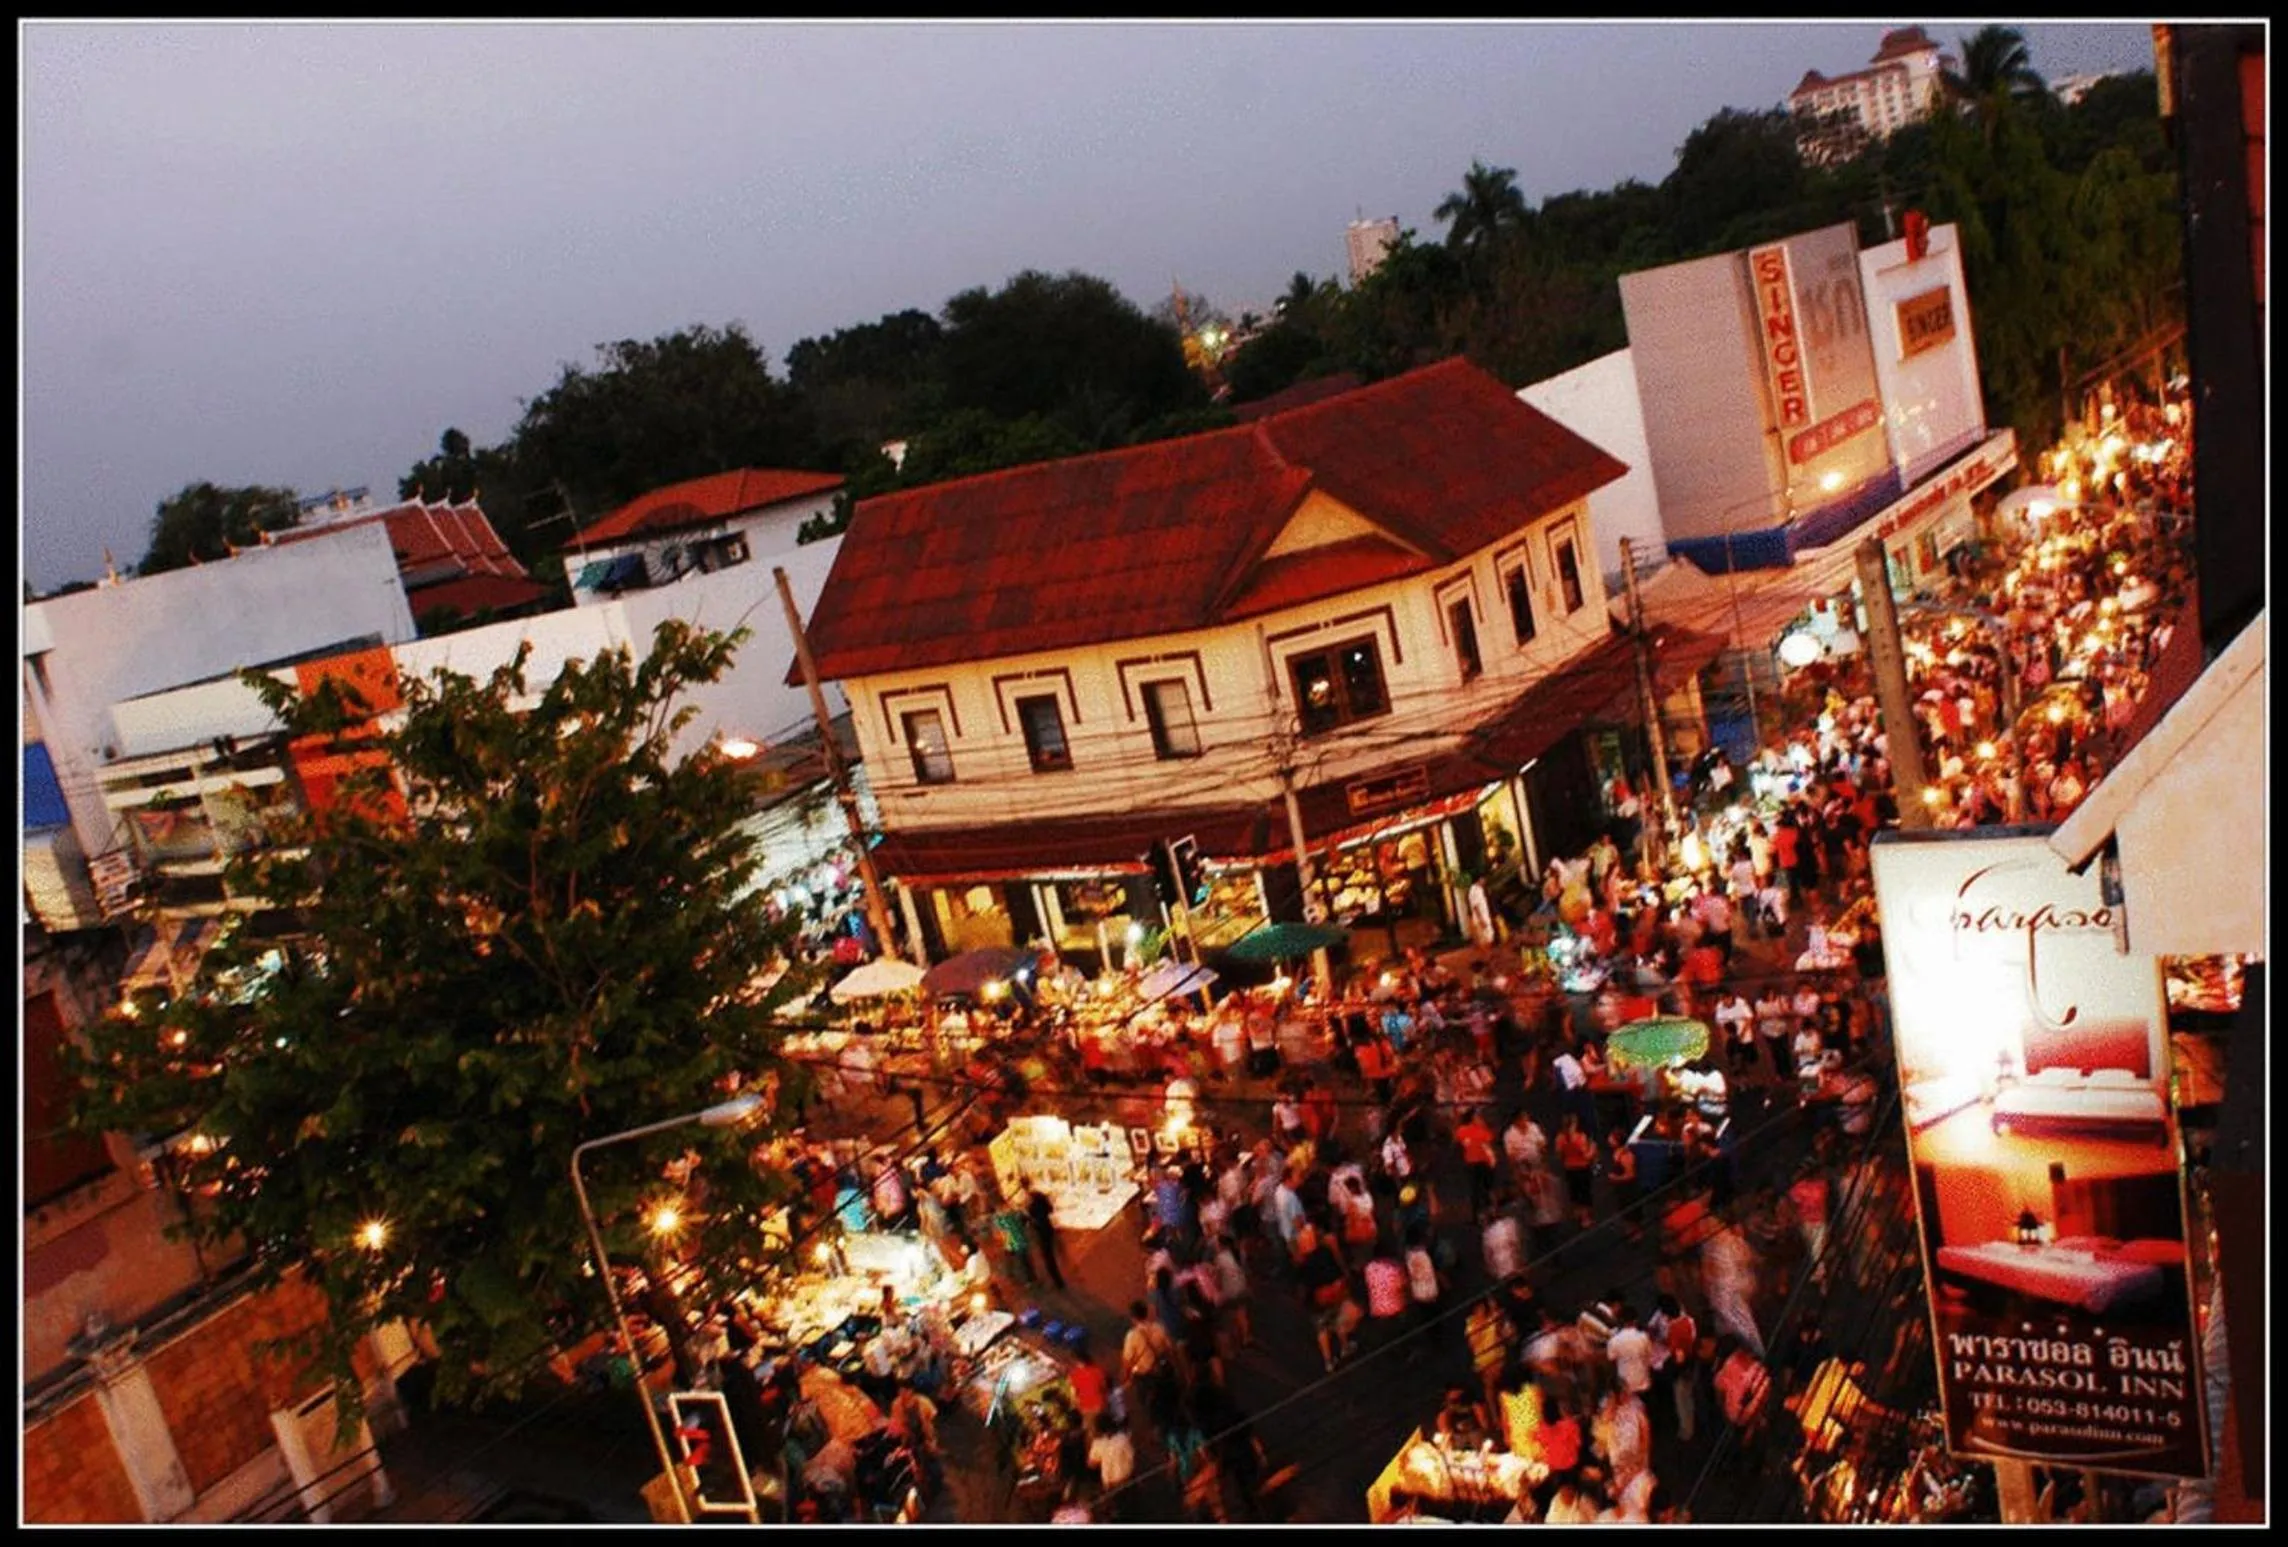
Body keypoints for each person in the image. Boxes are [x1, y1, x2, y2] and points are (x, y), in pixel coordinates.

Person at [1555, 1113, 1598, 1231]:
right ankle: (1585, 1219)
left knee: (1574, 1193)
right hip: (1582, 1169)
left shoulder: (1560, 1138)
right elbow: (1586, 1155)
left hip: (1569, 1169)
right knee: (1584, 1194)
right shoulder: (1580, 1138)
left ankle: (1577, 1214)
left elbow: (1559, 1155)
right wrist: (1593, 1148)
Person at [1025, 1183, 1066, 1290]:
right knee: (1050, 1255)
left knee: (1048, 1258)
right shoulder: (1042, 1202)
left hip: (1041, 1232)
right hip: (1048, 1228)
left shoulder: (1032, 1206)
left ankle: (1057, 1282)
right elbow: (1050, 1210)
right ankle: (1058, 1280)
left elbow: (1030, 1218)